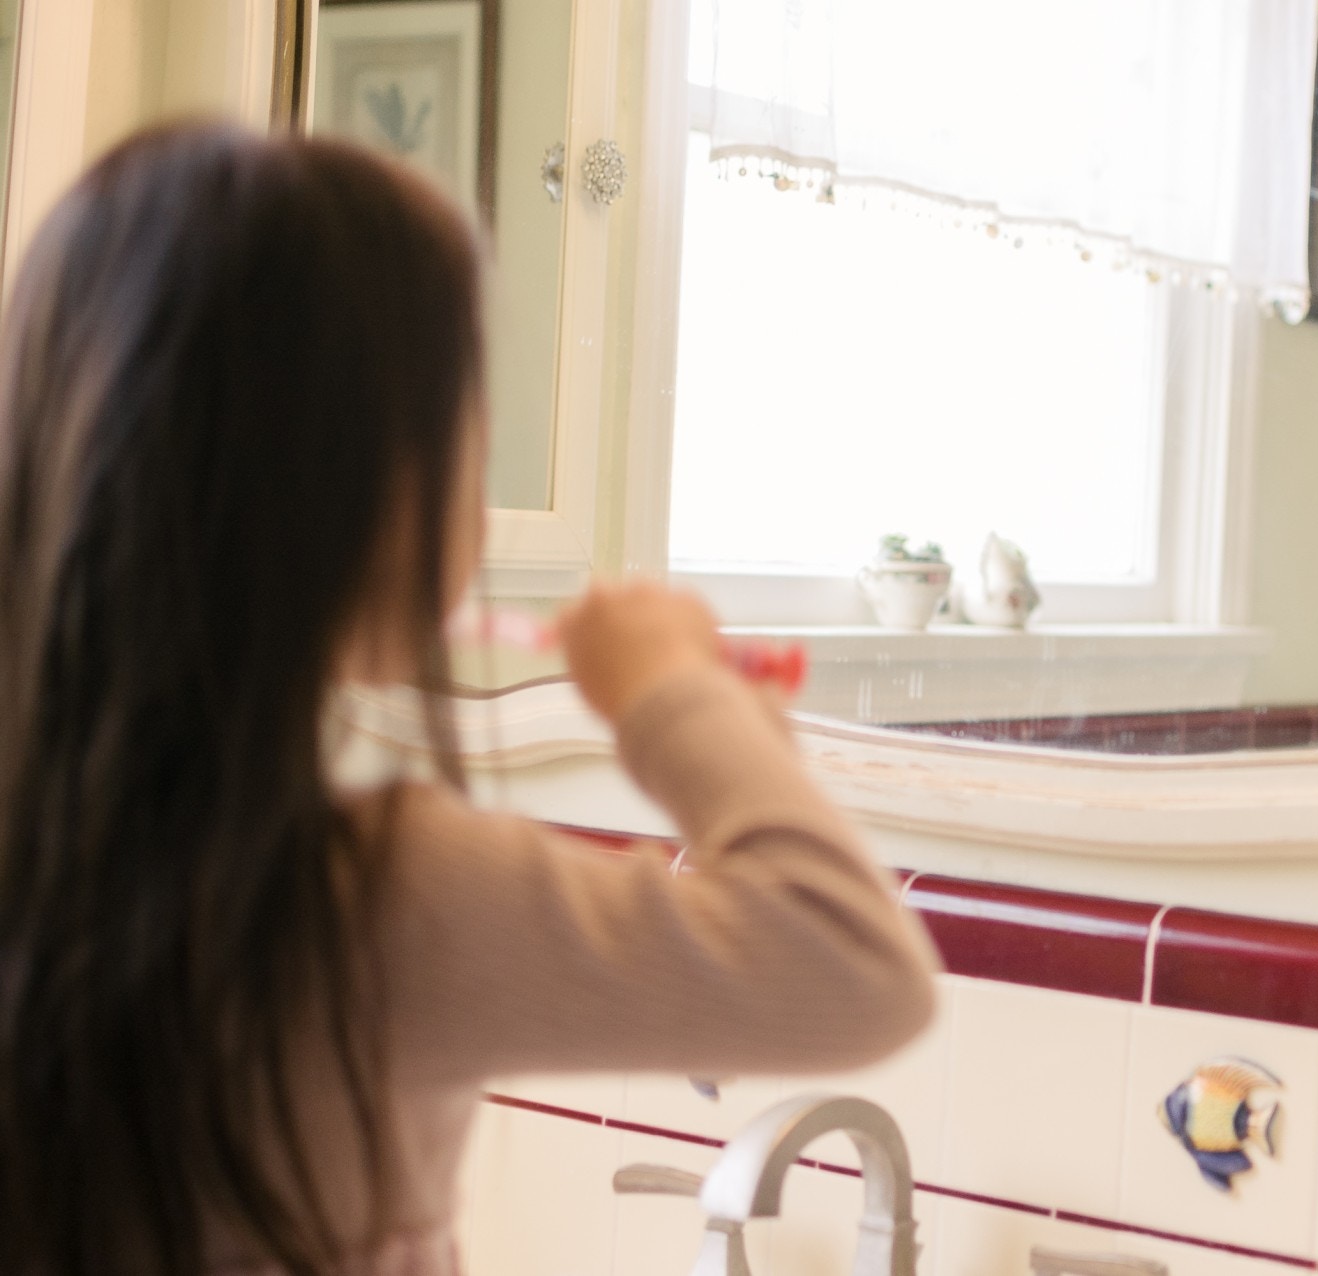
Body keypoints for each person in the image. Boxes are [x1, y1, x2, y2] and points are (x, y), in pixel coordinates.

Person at [0, 123, 936, 1276]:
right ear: (358, 495)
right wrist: (674, 695)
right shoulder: (376, 899)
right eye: (465, 432)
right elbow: (857, 968)